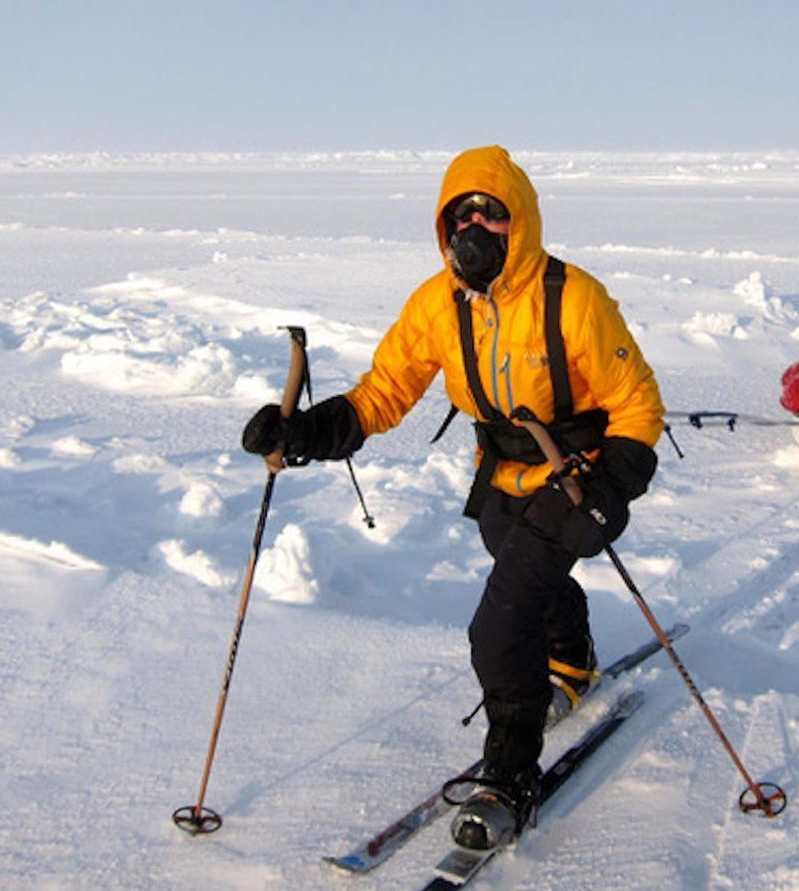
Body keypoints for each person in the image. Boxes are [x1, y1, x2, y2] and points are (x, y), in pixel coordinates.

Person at [242, 145, 664, 848]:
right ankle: (571, 655)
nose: (475, 227)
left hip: (573, 473)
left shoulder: (572, 297)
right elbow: (385, 390)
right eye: (460, 214)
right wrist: (307, 430)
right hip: (502, 477)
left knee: (498, 628)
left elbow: (638, 405)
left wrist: (610, 488)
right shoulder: (437, 304)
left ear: (519, 222)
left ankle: (508, 776)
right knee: (512, 557)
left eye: (491, 213)